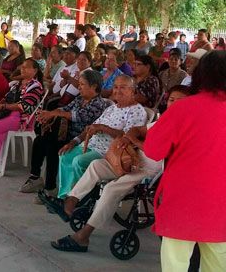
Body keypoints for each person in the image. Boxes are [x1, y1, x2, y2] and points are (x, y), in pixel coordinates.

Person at [50, 85, 190, 253]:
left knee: (111, 188)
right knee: (96, 166)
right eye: (171, 100)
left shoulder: (185, 127)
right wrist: (130, 136)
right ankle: (70, 202)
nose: (172, 103)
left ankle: (83, 237)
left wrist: (136, 142)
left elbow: (158, 152)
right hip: (131, 159)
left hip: (149, 170)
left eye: (178, 101)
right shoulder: (164, 120)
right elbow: (139, 129)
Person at [145, 51, 226, 271]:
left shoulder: (183, 108)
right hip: (221, 205)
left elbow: (152, 150)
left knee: (176, 263)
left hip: (183, 199)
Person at [41, 75, 147, 201]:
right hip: (91, 145)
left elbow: (127, 137)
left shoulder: (137, 111)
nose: (118, 90)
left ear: (133, 90)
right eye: (115, 87)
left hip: (109, 151)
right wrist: (74, 142)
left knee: (79, 161)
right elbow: (91, 128)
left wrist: (103, 128)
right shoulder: (112, 108)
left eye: (123, 87)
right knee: (65, 155)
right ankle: (64, 196)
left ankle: (79, 199)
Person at [20, 70, 109, 196]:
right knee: (40, 140)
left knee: (53, 147)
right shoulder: (80, 99)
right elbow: (65, 108)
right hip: (66, 134)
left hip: (81, 138)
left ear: (94, 87)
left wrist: (54, 113)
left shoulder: (98, 104)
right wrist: (50, 114)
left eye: (82, 84)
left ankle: (50, 188)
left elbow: (77, 116)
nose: (79, 87)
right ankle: (35, 178)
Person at [0, 58, 44, 175]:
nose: (23, 69)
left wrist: (4, 106)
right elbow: (6, 98)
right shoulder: (17, 84)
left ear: (35, 70)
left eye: (26, 67)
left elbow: (24, 106)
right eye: (22, 67)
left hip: (22, 118)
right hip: (8, 113)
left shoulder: (35, 86)